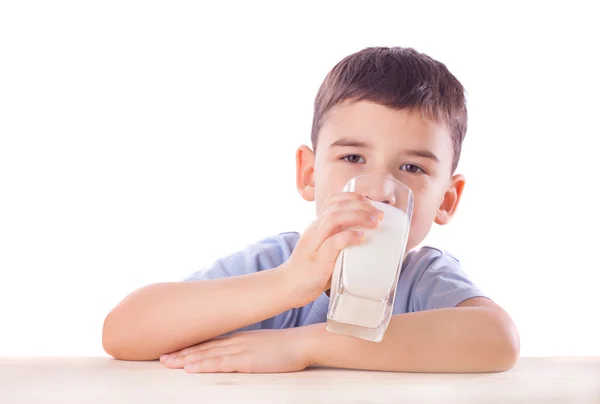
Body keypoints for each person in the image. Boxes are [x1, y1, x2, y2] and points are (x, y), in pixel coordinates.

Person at [102, 46, 520, 373]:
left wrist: (302, 345)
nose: (380, 192)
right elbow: (123, 332)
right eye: (353, 158)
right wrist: (287, 284)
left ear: (446, 200)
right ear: (308, 173)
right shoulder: (277, 263)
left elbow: (498, 339)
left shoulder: (424, 280)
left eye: (411, 168)